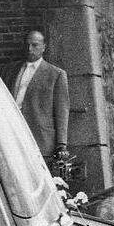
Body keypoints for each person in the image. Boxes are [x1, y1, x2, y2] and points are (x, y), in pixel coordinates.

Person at [13, 29, 71, 166]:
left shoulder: (55, 74)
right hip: (13, 133)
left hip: (40, 137)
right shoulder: (11, 70)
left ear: (44, 47)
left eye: (35, 45)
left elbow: (62, 111)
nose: (29, 49)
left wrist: (61, 144)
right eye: (27, 45)